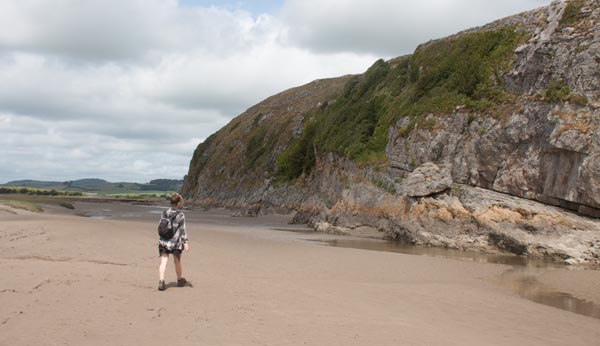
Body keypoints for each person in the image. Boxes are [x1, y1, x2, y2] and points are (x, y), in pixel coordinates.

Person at [158, 193, 189, 291]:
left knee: (163, 261)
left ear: (171, 202)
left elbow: (161, 225)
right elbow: (182, 230)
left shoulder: (164, 212)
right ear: (179, 203)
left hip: (163, 241)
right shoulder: (180, 215)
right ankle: (180, 280)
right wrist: (185, 242)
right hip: (175, 242)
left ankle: (161, 281)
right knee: (177, 261)